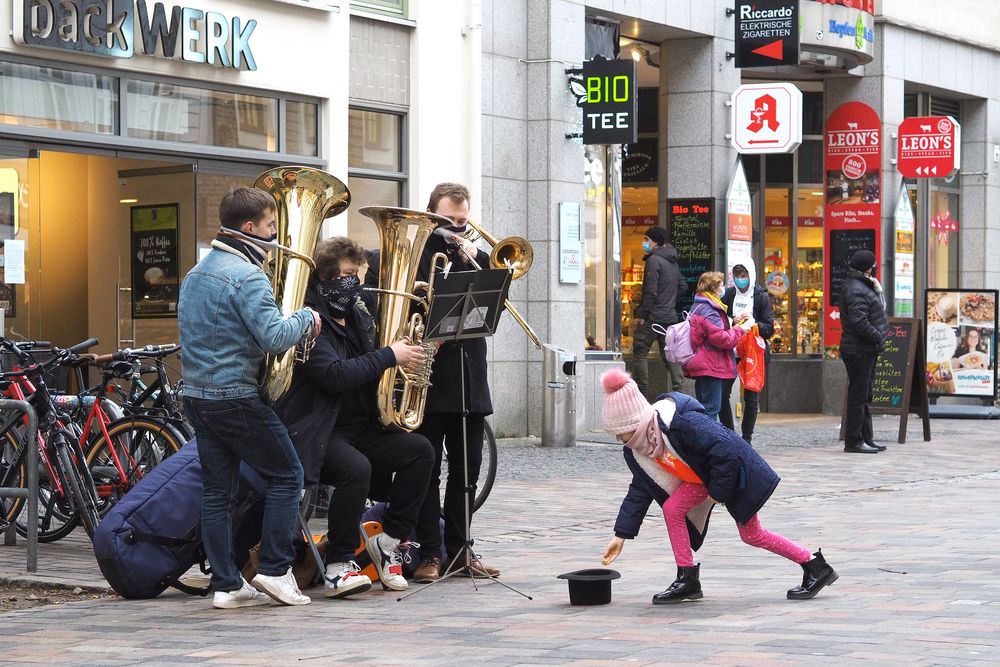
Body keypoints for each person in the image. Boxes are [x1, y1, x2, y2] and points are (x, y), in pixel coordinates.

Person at [178, 187, 320, 609]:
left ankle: (226, 584)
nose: (276, 235)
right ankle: (275, 571)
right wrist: (307, 318)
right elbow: (275, 336)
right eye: (271, 226)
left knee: (217, 493)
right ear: (249, 228)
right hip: (235, 397)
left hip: (197, 396)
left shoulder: (195, 273)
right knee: (288, 476)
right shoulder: (247, 275)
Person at [275, 237, 434, 596]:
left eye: (356, 274)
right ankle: (339, 562)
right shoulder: (309, 321)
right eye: (347, 274)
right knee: (355, 469)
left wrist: (412, 352)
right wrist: (389, 355)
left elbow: (371, 364)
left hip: (360, 427)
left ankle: (390, 538)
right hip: (319, 432)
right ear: (326, 277)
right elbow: (334, 375)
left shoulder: (358, 318)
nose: (355, 282)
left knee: (420, 450)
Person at [599, 369, 838, 604]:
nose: (620, 439)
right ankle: (686, 578)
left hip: (735, 474)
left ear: (636, 421)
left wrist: (718, 492)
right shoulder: (639, 451)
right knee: (673, 508)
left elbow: (726, 451)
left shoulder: (682, 422)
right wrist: (621, 535)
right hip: (703, 480)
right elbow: (640, 489)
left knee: (752, 534)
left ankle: (814, 565)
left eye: (621, 432)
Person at [409, 183, 501, 582]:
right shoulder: (415, 257)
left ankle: (462, 548)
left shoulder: (478, 258)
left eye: (463, 222)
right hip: (428, 380)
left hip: (469, 377)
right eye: (449, 221)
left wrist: (475, 261)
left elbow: (490, 307)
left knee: (468, 471)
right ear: (431, 215)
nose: (458, 228)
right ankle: (430, 550)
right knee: (427, 471)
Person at [685, 271, 754, 420]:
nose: (723, 288)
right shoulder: (710, 308)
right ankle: (706, 442)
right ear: (714, 288)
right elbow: (722, 339)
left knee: (704, 407)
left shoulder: (699, 304)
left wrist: (733, 322)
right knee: (711, 409)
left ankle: (704, 440)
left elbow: (710, 331)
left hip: (703, 362)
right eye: (721, 285)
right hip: (711, 364)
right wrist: (740, 329)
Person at [719, 260, 775, 444]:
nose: (740, 280)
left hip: (753, 352)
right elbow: (719, 317)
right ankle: (729, 433)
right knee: (723, 394)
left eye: (743, 276)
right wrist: (732, 319)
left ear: (751, 275)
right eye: (737, 276)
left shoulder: (761, 297)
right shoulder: (729, 294)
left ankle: (746, 438)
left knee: (751, 398)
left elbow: (769, 328)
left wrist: (753, 323)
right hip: (732, 350)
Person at [839, 249, 889, 454]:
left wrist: (877, 290)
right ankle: (854, 441)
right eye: (874, 263)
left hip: (866, 348)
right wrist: (877, 336)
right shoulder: (855, 288)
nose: (876, 266)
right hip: (859, 348)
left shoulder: (865, 285)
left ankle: (866, 437)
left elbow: (877, 309)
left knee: (865, 394)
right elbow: (858, 321)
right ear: (868, 266)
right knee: (858, 396)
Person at [629, 226, 688, 397]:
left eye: (646, 239)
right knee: (670, 355)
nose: (645, 243)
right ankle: (679, 392)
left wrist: (641, 315)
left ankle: (642, 394)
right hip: (669, 317)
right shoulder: (672, 260)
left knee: (640, 352)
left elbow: (650, 292)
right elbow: (683, 286)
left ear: (655, 241)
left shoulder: (654, 261)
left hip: (653, 317)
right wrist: (669, 302)